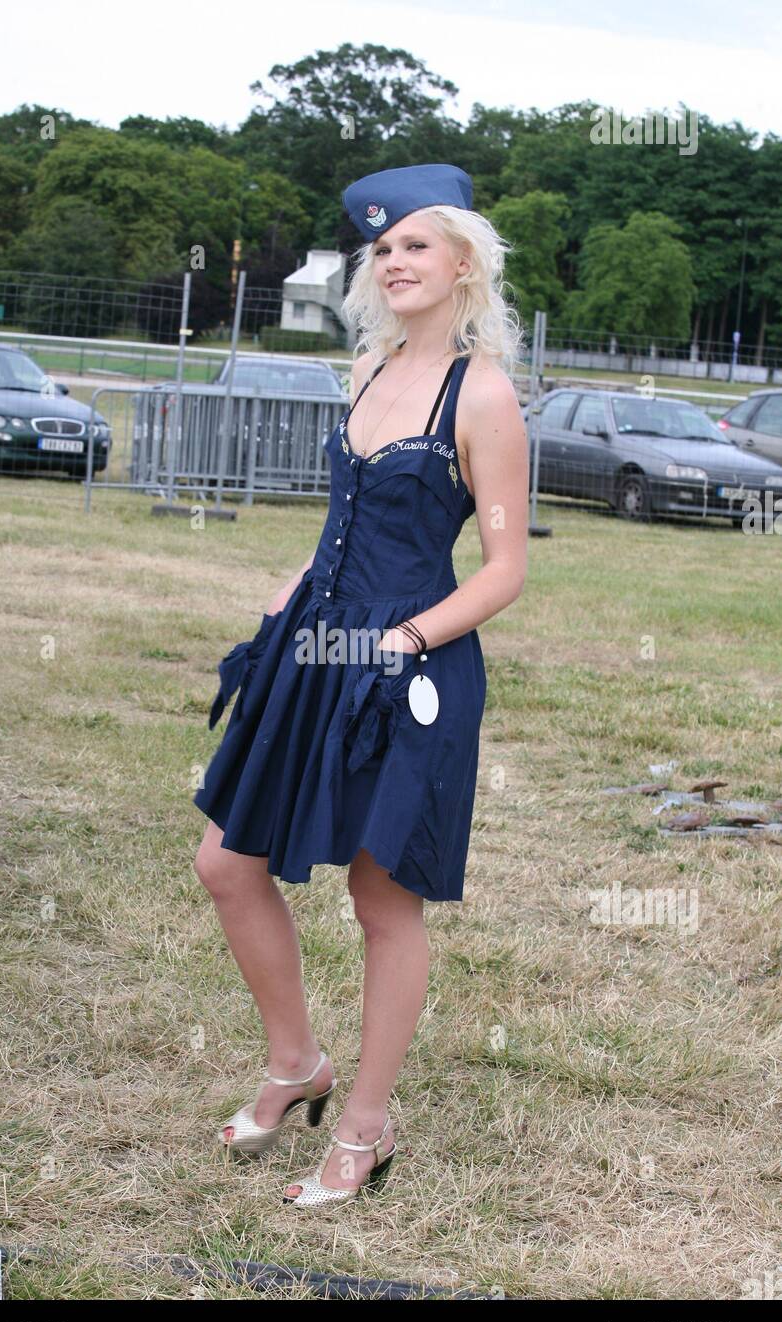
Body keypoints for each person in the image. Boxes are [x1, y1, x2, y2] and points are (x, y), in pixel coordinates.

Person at [193, 163, 528, 1209]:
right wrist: (282, 604)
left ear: (463, 260)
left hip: (409, 666)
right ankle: (295, 1064)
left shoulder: (480, 392)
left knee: (379, 899)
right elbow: (340, 526)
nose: (392, 263)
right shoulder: (367, 366)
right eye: (380, 250)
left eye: (414, 245)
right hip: (314, 652)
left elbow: (506, 568)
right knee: (225, 862)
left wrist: (402, 643)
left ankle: (367, 1126)